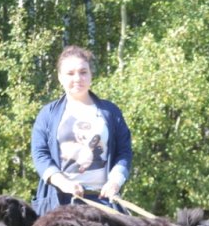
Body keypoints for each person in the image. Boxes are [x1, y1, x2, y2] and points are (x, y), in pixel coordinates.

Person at [30, 45, 132, 216]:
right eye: (70, 73)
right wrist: (64, 183)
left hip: (103, 204)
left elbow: (124, 152)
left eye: (83, 72)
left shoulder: (110, 111)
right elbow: (40, 154)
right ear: (60, 77)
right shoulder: (47, 114)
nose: (78, 78)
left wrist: (115, 182)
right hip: (59, 205)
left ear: (91, 75)